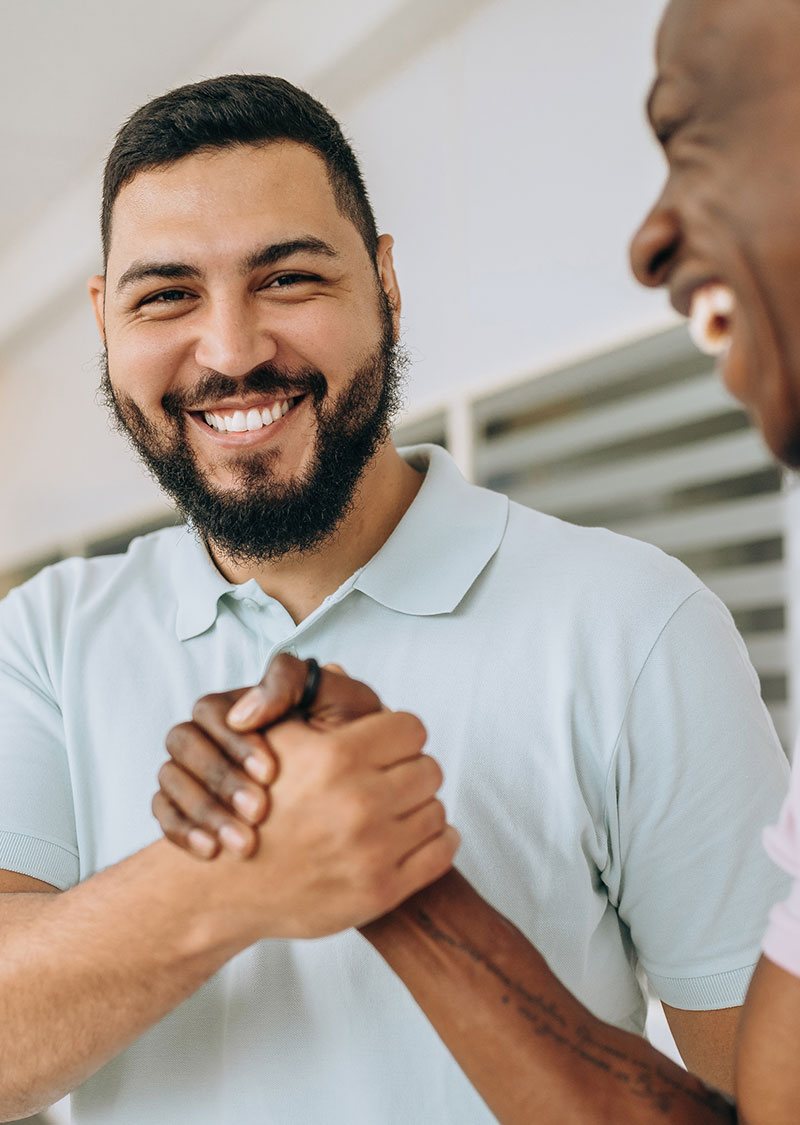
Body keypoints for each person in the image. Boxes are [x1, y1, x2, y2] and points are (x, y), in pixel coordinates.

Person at [0, 71, 788, 1125]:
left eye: (287, 279)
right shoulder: (41, 642)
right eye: (167, 294)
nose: (229, 350)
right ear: (106, 320)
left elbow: (759, 1099)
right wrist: (231, 879)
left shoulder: (634, 623)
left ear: (385, 284)